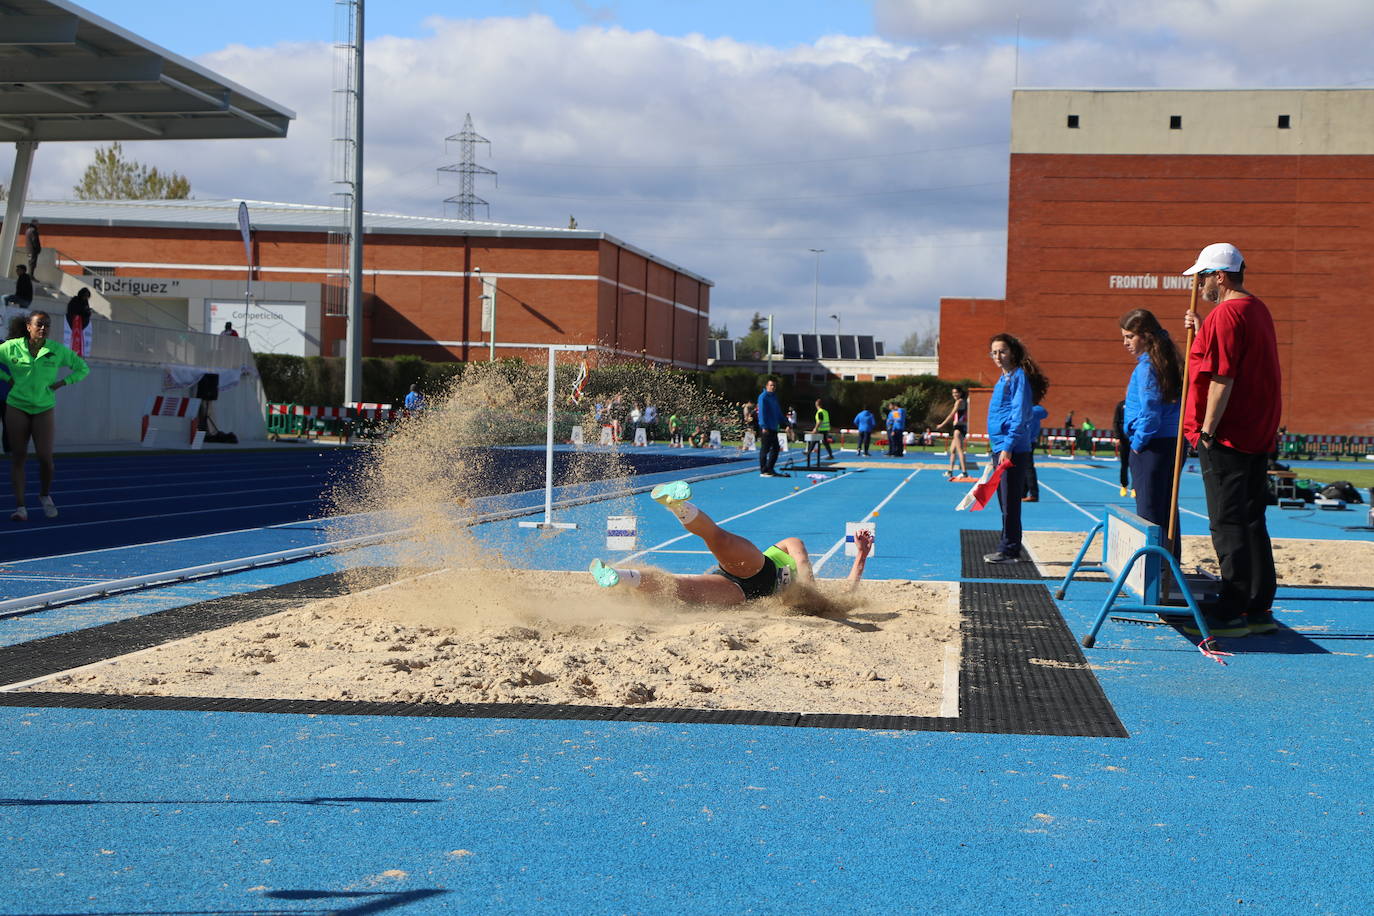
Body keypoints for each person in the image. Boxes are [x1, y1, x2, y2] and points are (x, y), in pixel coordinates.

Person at [1181, 243, 1281, 637]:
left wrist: (1207, 429)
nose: (1200, 283)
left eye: (1203, 277)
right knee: (1252, 519)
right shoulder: (1256, 309)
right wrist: (1203, 326)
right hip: (1255, 430)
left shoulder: (1226, 315)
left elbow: (1223, 377)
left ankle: (1232, 608)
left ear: (1219, 277)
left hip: (1229, 435)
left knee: (1227, 521)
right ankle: (1258, 606)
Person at [589, 480, 873, 607]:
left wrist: (860, 556)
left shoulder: (814, 598)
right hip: (754, 569)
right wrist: (807, 590)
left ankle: (617, 576)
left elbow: (846, 593)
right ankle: (676, 504)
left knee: (679, 587)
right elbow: (802, 563)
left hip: (739, 593)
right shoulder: (792, 544)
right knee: (718, 538)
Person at [0, 311, 90, 521]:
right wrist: (6, 378)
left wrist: (62, 383)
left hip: (43, 408)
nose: (43, 328)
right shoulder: (11, 347)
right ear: (28, 326)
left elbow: (82, 368)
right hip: (16, 407)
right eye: (39, 324)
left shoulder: (56, 350)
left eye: (47, 325)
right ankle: (20, 507)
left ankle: (44, 495)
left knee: (45, 459)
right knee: (18, 456)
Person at [1119, 309, 1184, 555]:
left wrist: (1137, 442)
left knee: (1149, 512)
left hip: (1152, 445)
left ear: (1145, 336)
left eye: (1129, 337)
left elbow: (1150, 409)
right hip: (1169, 442)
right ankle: (1169, 565)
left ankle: (1154, 572)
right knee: (1166, 510)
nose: (1125, 343)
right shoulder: (1167, 360)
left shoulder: (1148, 367)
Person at [983, 332, 1049, 564]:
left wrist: (1008, 446)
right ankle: (1007, 546)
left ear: (1013, 352)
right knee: (1004, 501)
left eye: (1002, 351)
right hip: (1000, 444)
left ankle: (1009, 549)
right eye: (994, 352)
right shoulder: (1005, 378)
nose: (998, 356)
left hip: (1010, 447)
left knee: (1010, 501)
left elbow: (1019, 414)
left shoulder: (1018, 377)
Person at [937, 385, 970, 479]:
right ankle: (950, 471)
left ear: (960, 393)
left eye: (956, 392)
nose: (954, 394)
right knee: (952, 450)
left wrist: (942, 425)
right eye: (953, 393)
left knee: (959, 450)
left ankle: (964, 472)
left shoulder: (959, 402)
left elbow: (952, 414)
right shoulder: (963, 401)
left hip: (959, 428)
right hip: (959, 426)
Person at [756, 378, 787, 477]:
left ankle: (770, 468)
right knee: (765, 449)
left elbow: (778, 412)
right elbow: (761, 412)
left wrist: (786, 422)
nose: (773, 387)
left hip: (774, 427)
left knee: (776, 448)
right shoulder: (763, 397)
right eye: (771, 385)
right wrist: (763, 426)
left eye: (774, 385)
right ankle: (763, 470)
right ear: (767, 386)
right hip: (766, 428)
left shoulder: (774, 397)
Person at [1023, 403, 1048, 502]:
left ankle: (1033, 494)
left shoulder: (1027, 410)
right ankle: (1024, 492)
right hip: (1031, 440)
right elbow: (1045, 413)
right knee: (1025, 467)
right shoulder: (1037, 411)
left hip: (1025, 440)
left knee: (1028, 468)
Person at [1112, 398, 1132, 498]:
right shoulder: (1121, 404)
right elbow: (1115, 421)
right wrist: (1117, 436)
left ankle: (1134, 487)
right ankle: (1124, 485)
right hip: (1123, 440)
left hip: (1134, 439)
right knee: (1124, 464)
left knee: (1135, 464)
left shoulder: (1138, 403)